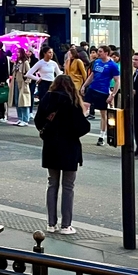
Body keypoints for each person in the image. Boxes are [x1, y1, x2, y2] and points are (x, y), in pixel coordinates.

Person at [34, 74, 90, 235]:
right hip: (69, 147)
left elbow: (38, 121)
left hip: (51, 145)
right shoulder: (72, 101)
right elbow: (82, 127)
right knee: (68, 186)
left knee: (52, 184)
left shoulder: (47, 98)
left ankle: (51, 224)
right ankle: (66, 225)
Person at [80, 45, 118, 146]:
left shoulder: (113, 65)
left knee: (103, 114)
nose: (98, 53)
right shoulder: (97, 62)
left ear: (106, 53)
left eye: (100, 51)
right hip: (92, 89)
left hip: (103, 92)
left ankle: (102, 136)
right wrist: (84, 86)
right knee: (84, 107)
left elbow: (117, 80)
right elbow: (92, 75)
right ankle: (79, 128)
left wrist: (112, 94)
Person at [11, 49, 33, 126]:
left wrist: (26, 82)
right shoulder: (16, 62)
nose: (17, 54)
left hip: (23, 84)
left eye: (18, 52)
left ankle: (25, 119)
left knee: (24, 101)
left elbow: (30, 73)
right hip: (16, 83)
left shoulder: (25, 62)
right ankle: (20, 118)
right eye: (16, 52)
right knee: (17, 102)